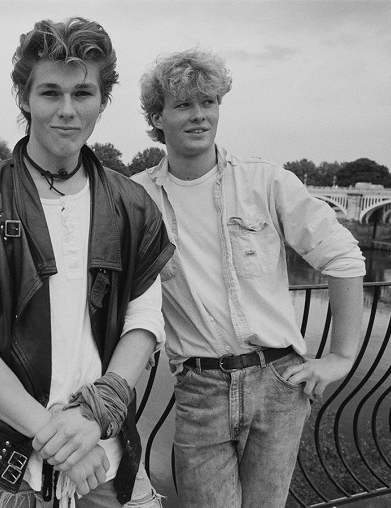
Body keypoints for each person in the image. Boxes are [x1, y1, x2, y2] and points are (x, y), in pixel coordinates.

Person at [0, 17, 175, 508]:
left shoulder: (131, 204)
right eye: (50, 93)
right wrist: (61, 442)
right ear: (24, 98)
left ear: (103, 100)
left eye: (83, 93)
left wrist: (95, 415)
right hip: (7, 467)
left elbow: (144, 320)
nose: (67, 110)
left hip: (105, 456)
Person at [131, 48, 366, 507]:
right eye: (184, 105)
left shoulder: (266, 182)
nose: (200, 115)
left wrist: (341, 356)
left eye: (209, 102)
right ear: (157, 118)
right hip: (200, 387)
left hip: (279, 381)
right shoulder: (138, 197)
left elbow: (343, 257)